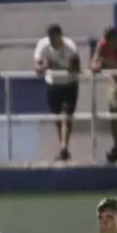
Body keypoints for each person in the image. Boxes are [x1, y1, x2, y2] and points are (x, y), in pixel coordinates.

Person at [33, 24, 80, 162]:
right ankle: (63, 147)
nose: (52, 40)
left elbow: (76, 69)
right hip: (52, 84)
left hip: (69, 84)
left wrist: (58, 66)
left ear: (60, 36)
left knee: (66, 116)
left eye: (55, 37)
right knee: (58, 118)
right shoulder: (43, 45)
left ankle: (64, 149)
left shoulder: (70, 47)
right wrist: (45, 66)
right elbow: (37, 68)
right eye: (50, 37)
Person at [90, 27, 117, 163]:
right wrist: (96, 65)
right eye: (107, 42)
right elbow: (94, 63)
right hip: (116, 81)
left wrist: (110, 64)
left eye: (112, 42)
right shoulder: (102, 44)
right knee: (114, 112)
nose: (109, 45)